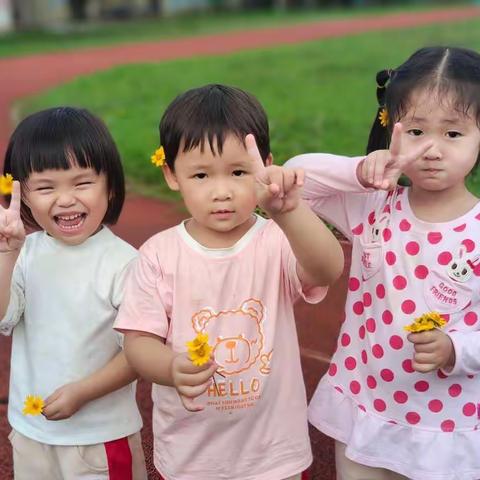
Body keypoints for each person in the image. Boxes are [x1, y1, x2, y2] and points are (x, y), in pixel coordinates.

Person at [114, 84, 345, 480]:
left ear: (265, 166)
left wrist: (291, 213)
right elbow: (137, 342)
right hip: (191, 456)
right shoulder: (158, 254)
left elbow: (327, 269)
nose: (221, 191)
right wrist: (170, 367)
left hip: (275, 455)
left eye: (239, 172)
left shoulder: (277, 238)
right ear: (171, 174)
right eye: (201, 175)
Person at [285, 46, 480, 480]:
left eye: (453, 134)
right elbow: (298, 176)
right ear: (390, 128)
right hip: (365, 407)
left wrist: (456, 349)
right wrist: (359, 171)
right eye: (415, 131)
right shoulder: (372, 205)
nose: (431, 150)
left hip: (445, 425)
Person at [0, 107, 146, 479]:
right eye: (46, 187)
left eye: (82, 183)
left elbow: (140, 352)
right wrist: (7, 254)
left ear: (110, 185)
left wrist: (84, 391)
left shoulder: (124, 263)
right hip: (31, 431)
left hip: (99, 438)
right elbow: (3, 317)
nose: (65, 200)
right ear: (24, 196)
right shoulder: (26, 254)